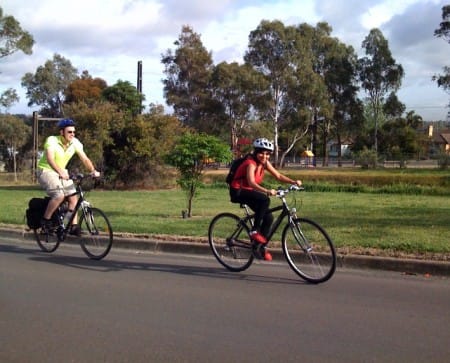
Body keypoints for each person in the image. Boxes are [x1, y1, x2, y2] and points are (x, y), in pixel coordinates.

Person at [229, 138, 302, 261]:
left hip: (248, 191)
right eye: (261, 153)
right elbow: (252, 183)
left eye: (268, 154)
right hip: (238, 191)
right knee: (264, 200)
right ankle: (254, 231)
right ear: (256, 152)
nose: (264, 156)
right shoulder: (250, 163)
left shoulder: (264, 163)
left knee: (269, 217)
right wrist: (267, 191)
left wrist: (293, 181)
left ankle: (260, 248)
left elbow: (278, 175)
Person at [37, 118, 100, 235]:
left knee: (73, 198)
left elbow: (85, 159)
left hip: (62, 172)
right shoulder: (51, 140)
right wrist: (60, 171)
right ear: (62, 132)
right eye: (69, 132)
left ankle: (72, 226)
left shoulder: (75, 143)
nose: (72, 134)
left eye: (74, 132)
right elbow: (50, 159)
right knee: (59, 195)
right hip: (46, 170)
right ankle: (45, 221)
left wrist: (93, 171)